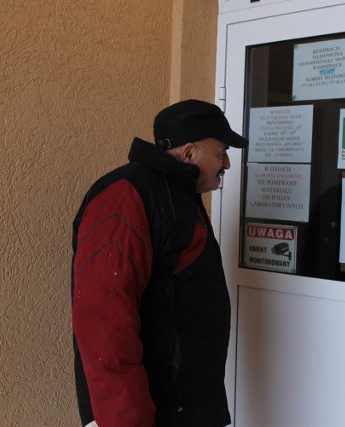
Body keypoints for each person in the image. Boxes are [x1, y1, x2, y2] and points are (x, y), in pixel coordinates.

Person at [71, 99, 248, 427]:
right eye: (221, 152)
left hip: (186, 406)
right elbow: (104, 322)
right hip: (148, 412)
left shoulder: (177, 195)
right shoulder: (125, 198)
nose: (226, 164)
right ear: (190, 152)